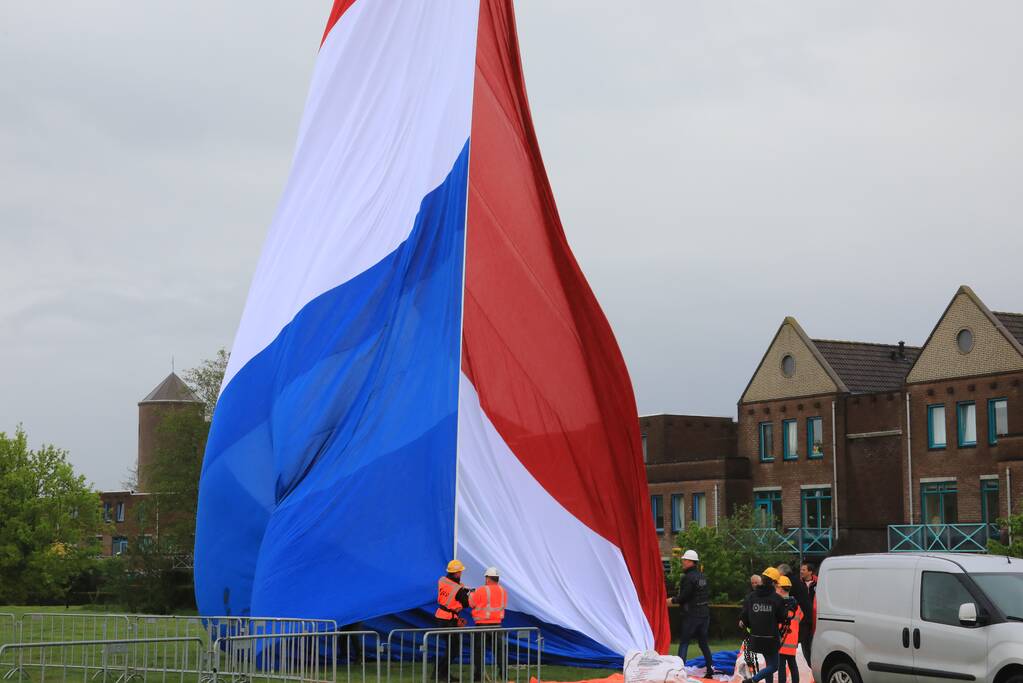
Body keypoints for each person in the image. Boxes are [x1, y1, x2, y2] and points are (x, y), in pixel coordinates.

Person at [667, 550, 715, 677]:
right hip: (704, 615)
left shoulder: (687, 578)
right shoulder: (703, 576)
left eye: (684, 560)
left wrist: (672, 600)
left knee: (684, 643)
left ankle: (679, 673)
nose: (682, 562)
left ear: (690, 562)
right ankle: (710, 671)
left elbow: (684, 597)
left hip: (692, 615)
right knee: (703, 643)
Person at [739, 567, 788, 683]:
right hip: (771, 638)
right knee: (774, 666)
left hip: (756, 637)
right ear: (774, 582)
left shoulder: (751, 596)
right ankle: (753, 680)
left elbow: (744, 616)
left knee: (768, 665)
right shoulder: (776, 599)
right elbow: (782, 618)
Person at [435, 559, 472, 680]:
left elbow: (452, 588)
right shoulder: (457, 589)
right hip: (448, 620)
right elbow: (466, 603)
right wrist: (469, 594)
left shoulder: (442, 580)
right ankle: (442, 675)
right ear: (456, 573)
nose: (461, 573)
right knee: (453, 649)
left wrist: (463, 588)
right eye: (460, 571)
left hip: (442, 616)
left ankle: (438, 673)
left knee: (450, 648)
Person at [469, 567, 507, 683]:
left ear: (487, 578)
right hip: (497, 625)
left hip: (482, 625)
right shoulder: (503, 591)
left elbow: (471, 603)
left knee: (479, 652)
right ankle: (503, 675)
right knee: (500, 652)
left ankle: (478, 676)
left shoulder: (480, 590)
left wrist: (471, 593)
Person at [776, 576, 802, 683]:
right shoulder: (797, 605)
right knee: (793, 665)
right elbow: (800, 617)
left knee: (781, 666)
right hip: (792, 641)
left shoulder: (779, 605)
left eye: (776, 587)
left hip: (781, 641)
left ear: (781, 589)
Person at [797, 563, 817, 662]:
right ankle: (809, 664)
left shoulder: (819, 582)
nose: (801, 572)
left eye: (803, 570)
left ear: (810, 572)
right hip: (803, 618)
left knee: (814, 642)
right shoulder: (798, 583)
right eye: (801, 570)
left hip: (817, 617)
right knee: (805, 642)